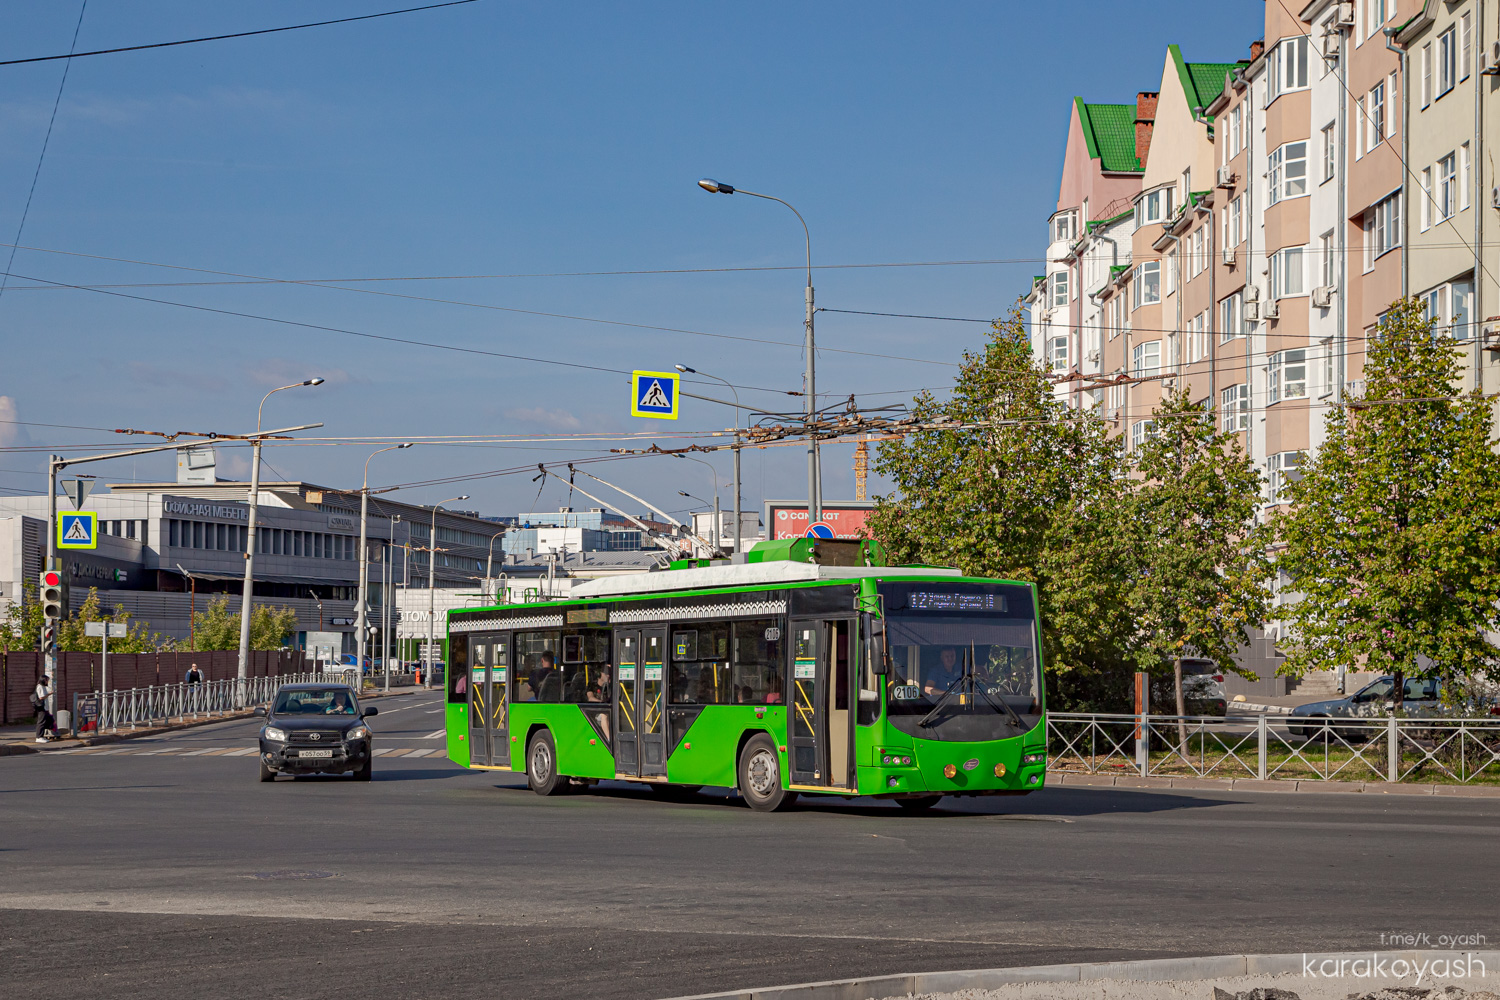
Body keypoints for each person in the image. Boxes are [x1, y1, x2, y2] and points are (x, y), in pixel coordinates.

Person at [33, 673, 55, 742]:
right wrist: (49, 694)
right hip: (41, 707)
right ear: (43, 680)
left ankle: (42, 736)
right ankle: (39, 737)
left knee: (45, 721)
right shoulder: (40, 687)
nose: (47, 682)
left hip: (44, 707)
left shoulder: (43, 687)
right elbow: (41, 697)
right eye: (46, 680)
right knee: (41, 722)